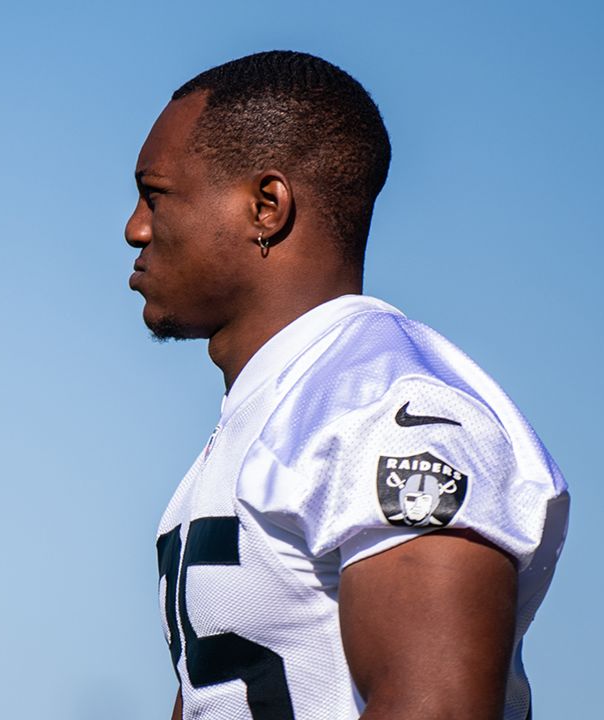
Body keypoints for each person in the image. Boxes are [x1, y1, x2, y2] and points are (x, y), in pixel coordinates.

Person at [125, 50, 568, 720]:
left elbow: (437, 708)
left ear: (266, 206)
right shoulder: (266, 412)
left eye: (156, 194)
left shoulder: (385, 409)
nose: (136, 228)